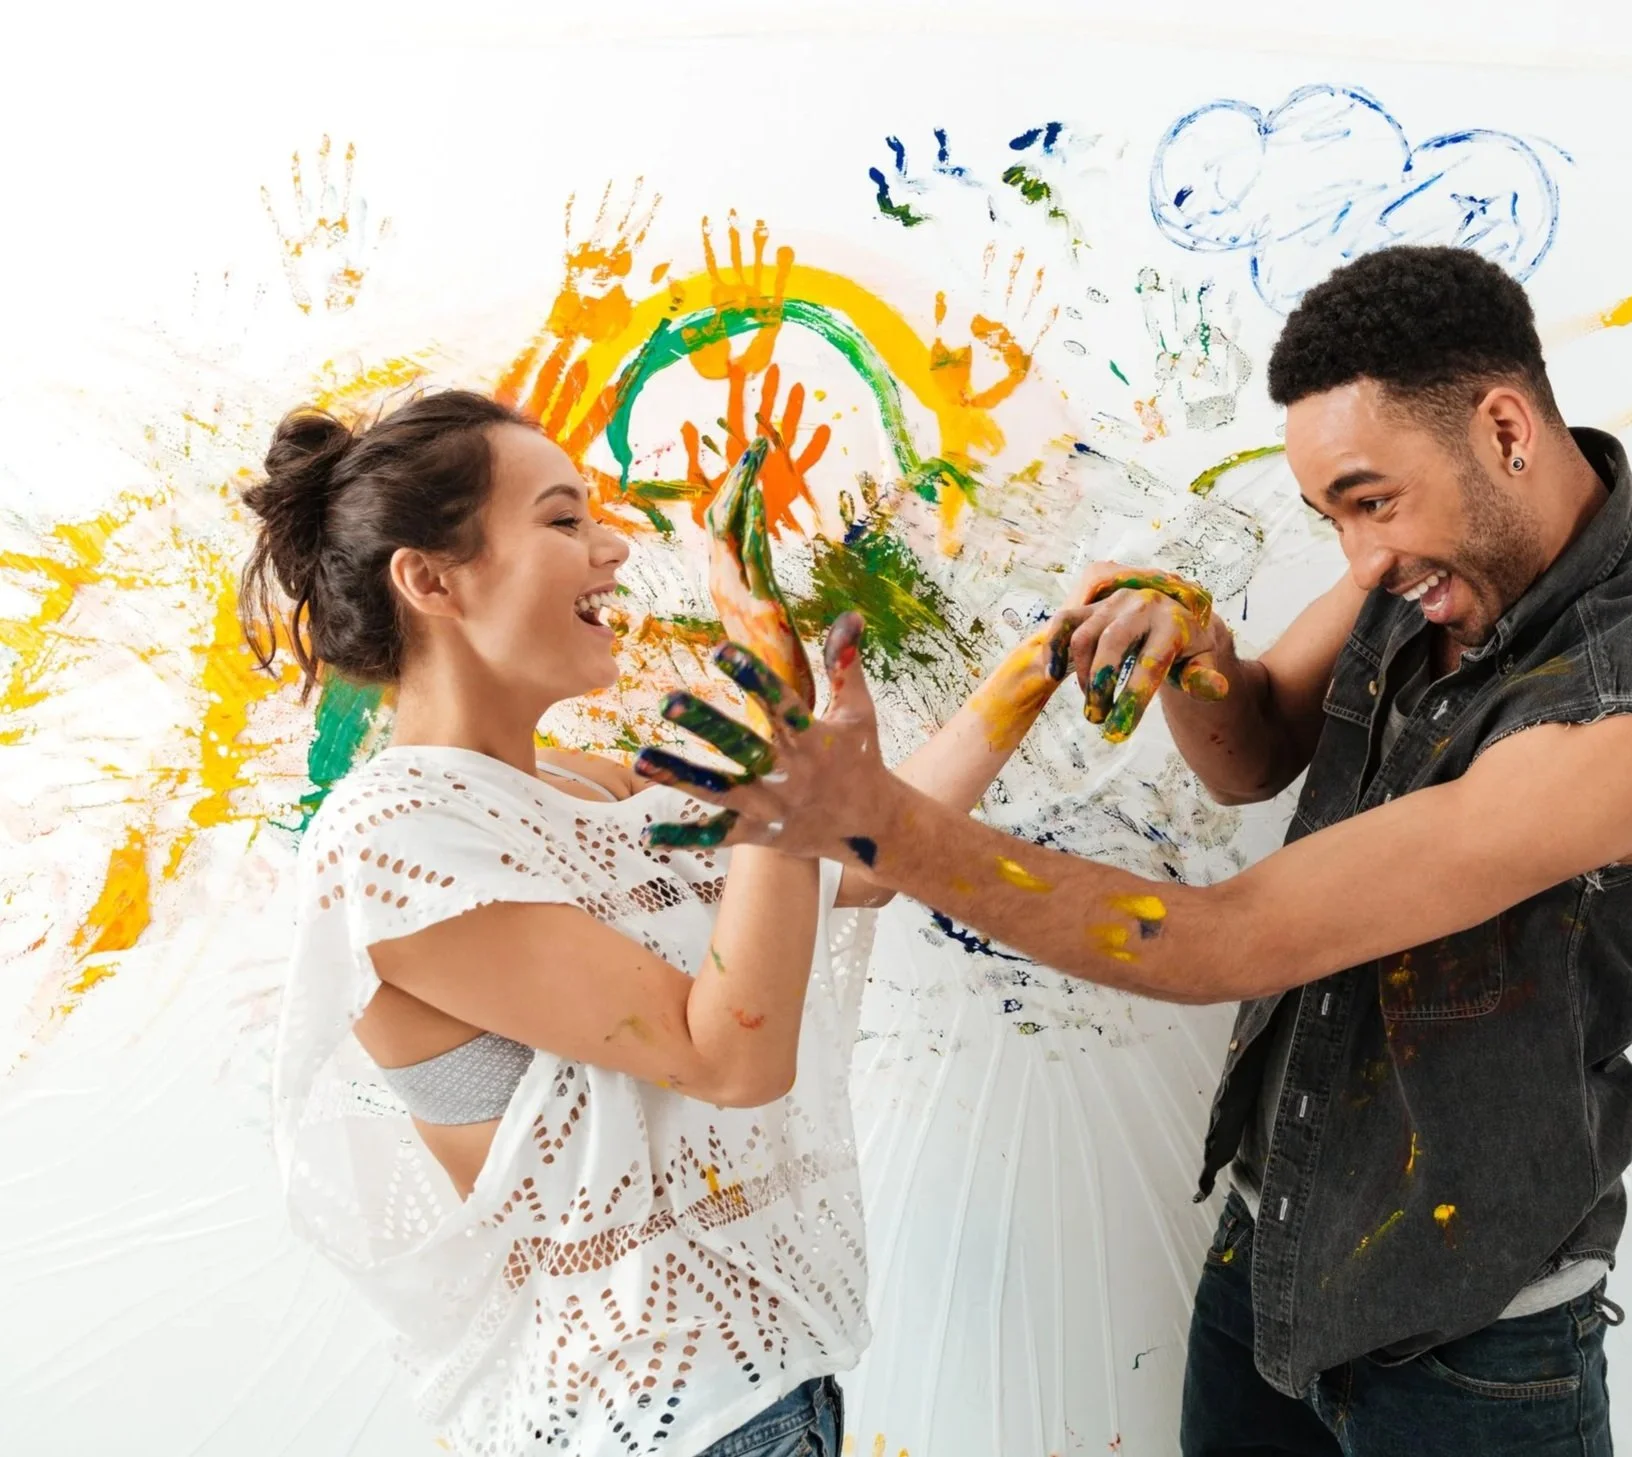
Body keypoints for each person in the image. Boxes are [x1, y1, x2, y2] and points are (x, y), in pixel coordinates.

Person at [639, 246, 1632, 1456]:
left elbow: (1229, 936)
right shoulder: (1422, 561)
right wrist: (1197, 652)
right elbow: (1257, 745)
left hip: (1468, 1343)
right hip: (1271, 1252)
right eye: (1330, 516)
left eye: (1370, 501)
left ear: (1504, 429)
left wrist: (870, 815)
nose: (1360, 561)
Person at [246, 391, 1072, 1456]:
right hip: (659, 1421)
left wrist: (1036, 668)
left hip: (775, 1389)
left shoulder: (590, 784)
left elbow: (841, 872)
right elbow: (726, 1053)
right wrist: (780, 745)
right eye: (561, 519)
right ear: (431, 578)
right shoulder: (392, 838)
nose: (613, 546)